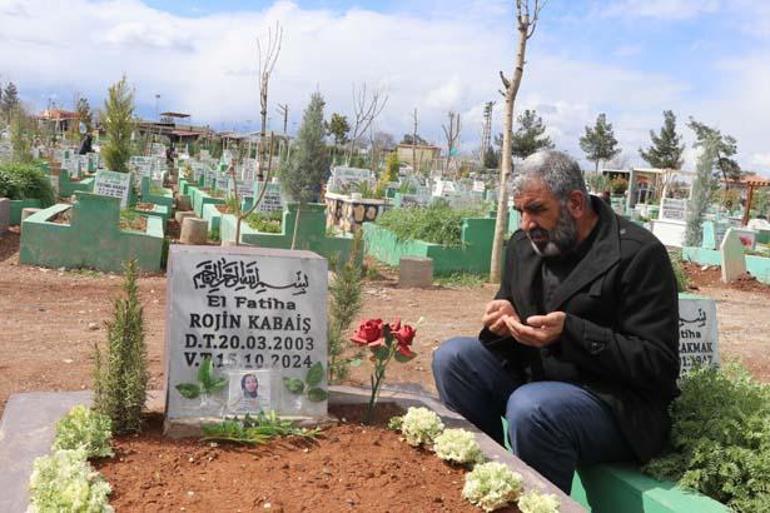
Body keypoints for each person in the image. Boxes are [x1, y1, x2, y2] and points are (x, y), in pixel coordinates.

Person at [432, 150, 679, 493]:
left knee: (532, 408)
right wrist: (502, 323)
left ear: (575, 203)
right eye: (520, 212)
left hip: (612, 405)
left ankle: (539, 503)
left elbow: (658, 364)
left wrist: (571, 333)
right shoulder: (523, 246)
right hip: (535, 384)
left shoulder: (637, 254)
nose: (526, 224)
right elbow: (509, 334)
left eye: (536, 210)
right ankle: (487, 485)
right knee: (453, 358)